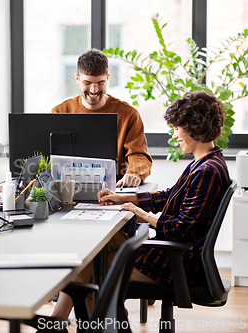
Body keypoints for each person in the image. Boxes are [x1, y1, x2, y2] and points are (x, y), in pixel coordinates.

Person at [52, 91, 231, 320]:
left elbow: (181, 229)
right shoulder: (206, 162)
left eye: (177, 127)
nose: (174, 135)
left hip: (175, 264)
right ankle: (60, 321)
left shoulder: (207, 171)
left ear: (193, 126)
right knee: (90, 255)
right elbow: (170, 196)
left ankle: (70, 322)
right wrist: (125, 199)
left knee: (91, 268)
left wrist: (141, 213)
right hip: (172, 255)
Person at [52, 48, 152, 188]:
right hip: (68, 189)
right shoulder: (60, 112)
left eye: (100, 83)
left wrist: (134, 173)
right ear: (77, 79)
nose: (94, 90)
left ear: (107, 78)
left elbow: (139, 155)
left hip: (113, 190)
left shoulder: (129, 114)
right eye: (87, 83)